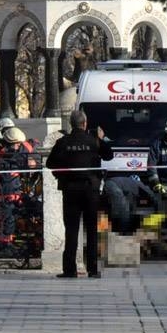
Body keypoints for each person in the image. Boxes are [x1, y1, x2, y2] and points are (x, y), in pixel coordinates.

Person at [46, 110, 113, 278]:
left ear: (71, 124)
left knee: (71, 230)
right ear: (85, 123)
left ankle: (69, 270)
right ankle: (92, 269)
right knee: (91, 230)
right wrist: (102, 138)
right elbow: (109, 155)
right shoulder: (94, 141)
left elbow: (50, 163)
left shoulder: (63, 142)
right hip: (91, 191)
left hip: (70, 191)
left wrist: (61, 175)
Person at [0, 126, 37, 254]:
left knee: (4, 219)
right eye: (17, 144)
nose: (18, 146)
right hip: (7, 191)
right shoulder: (9, 155)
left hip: (3, 191)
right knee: (8, 219)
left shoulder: (0, 152)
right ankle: (5, 245)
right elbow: (28, 164)